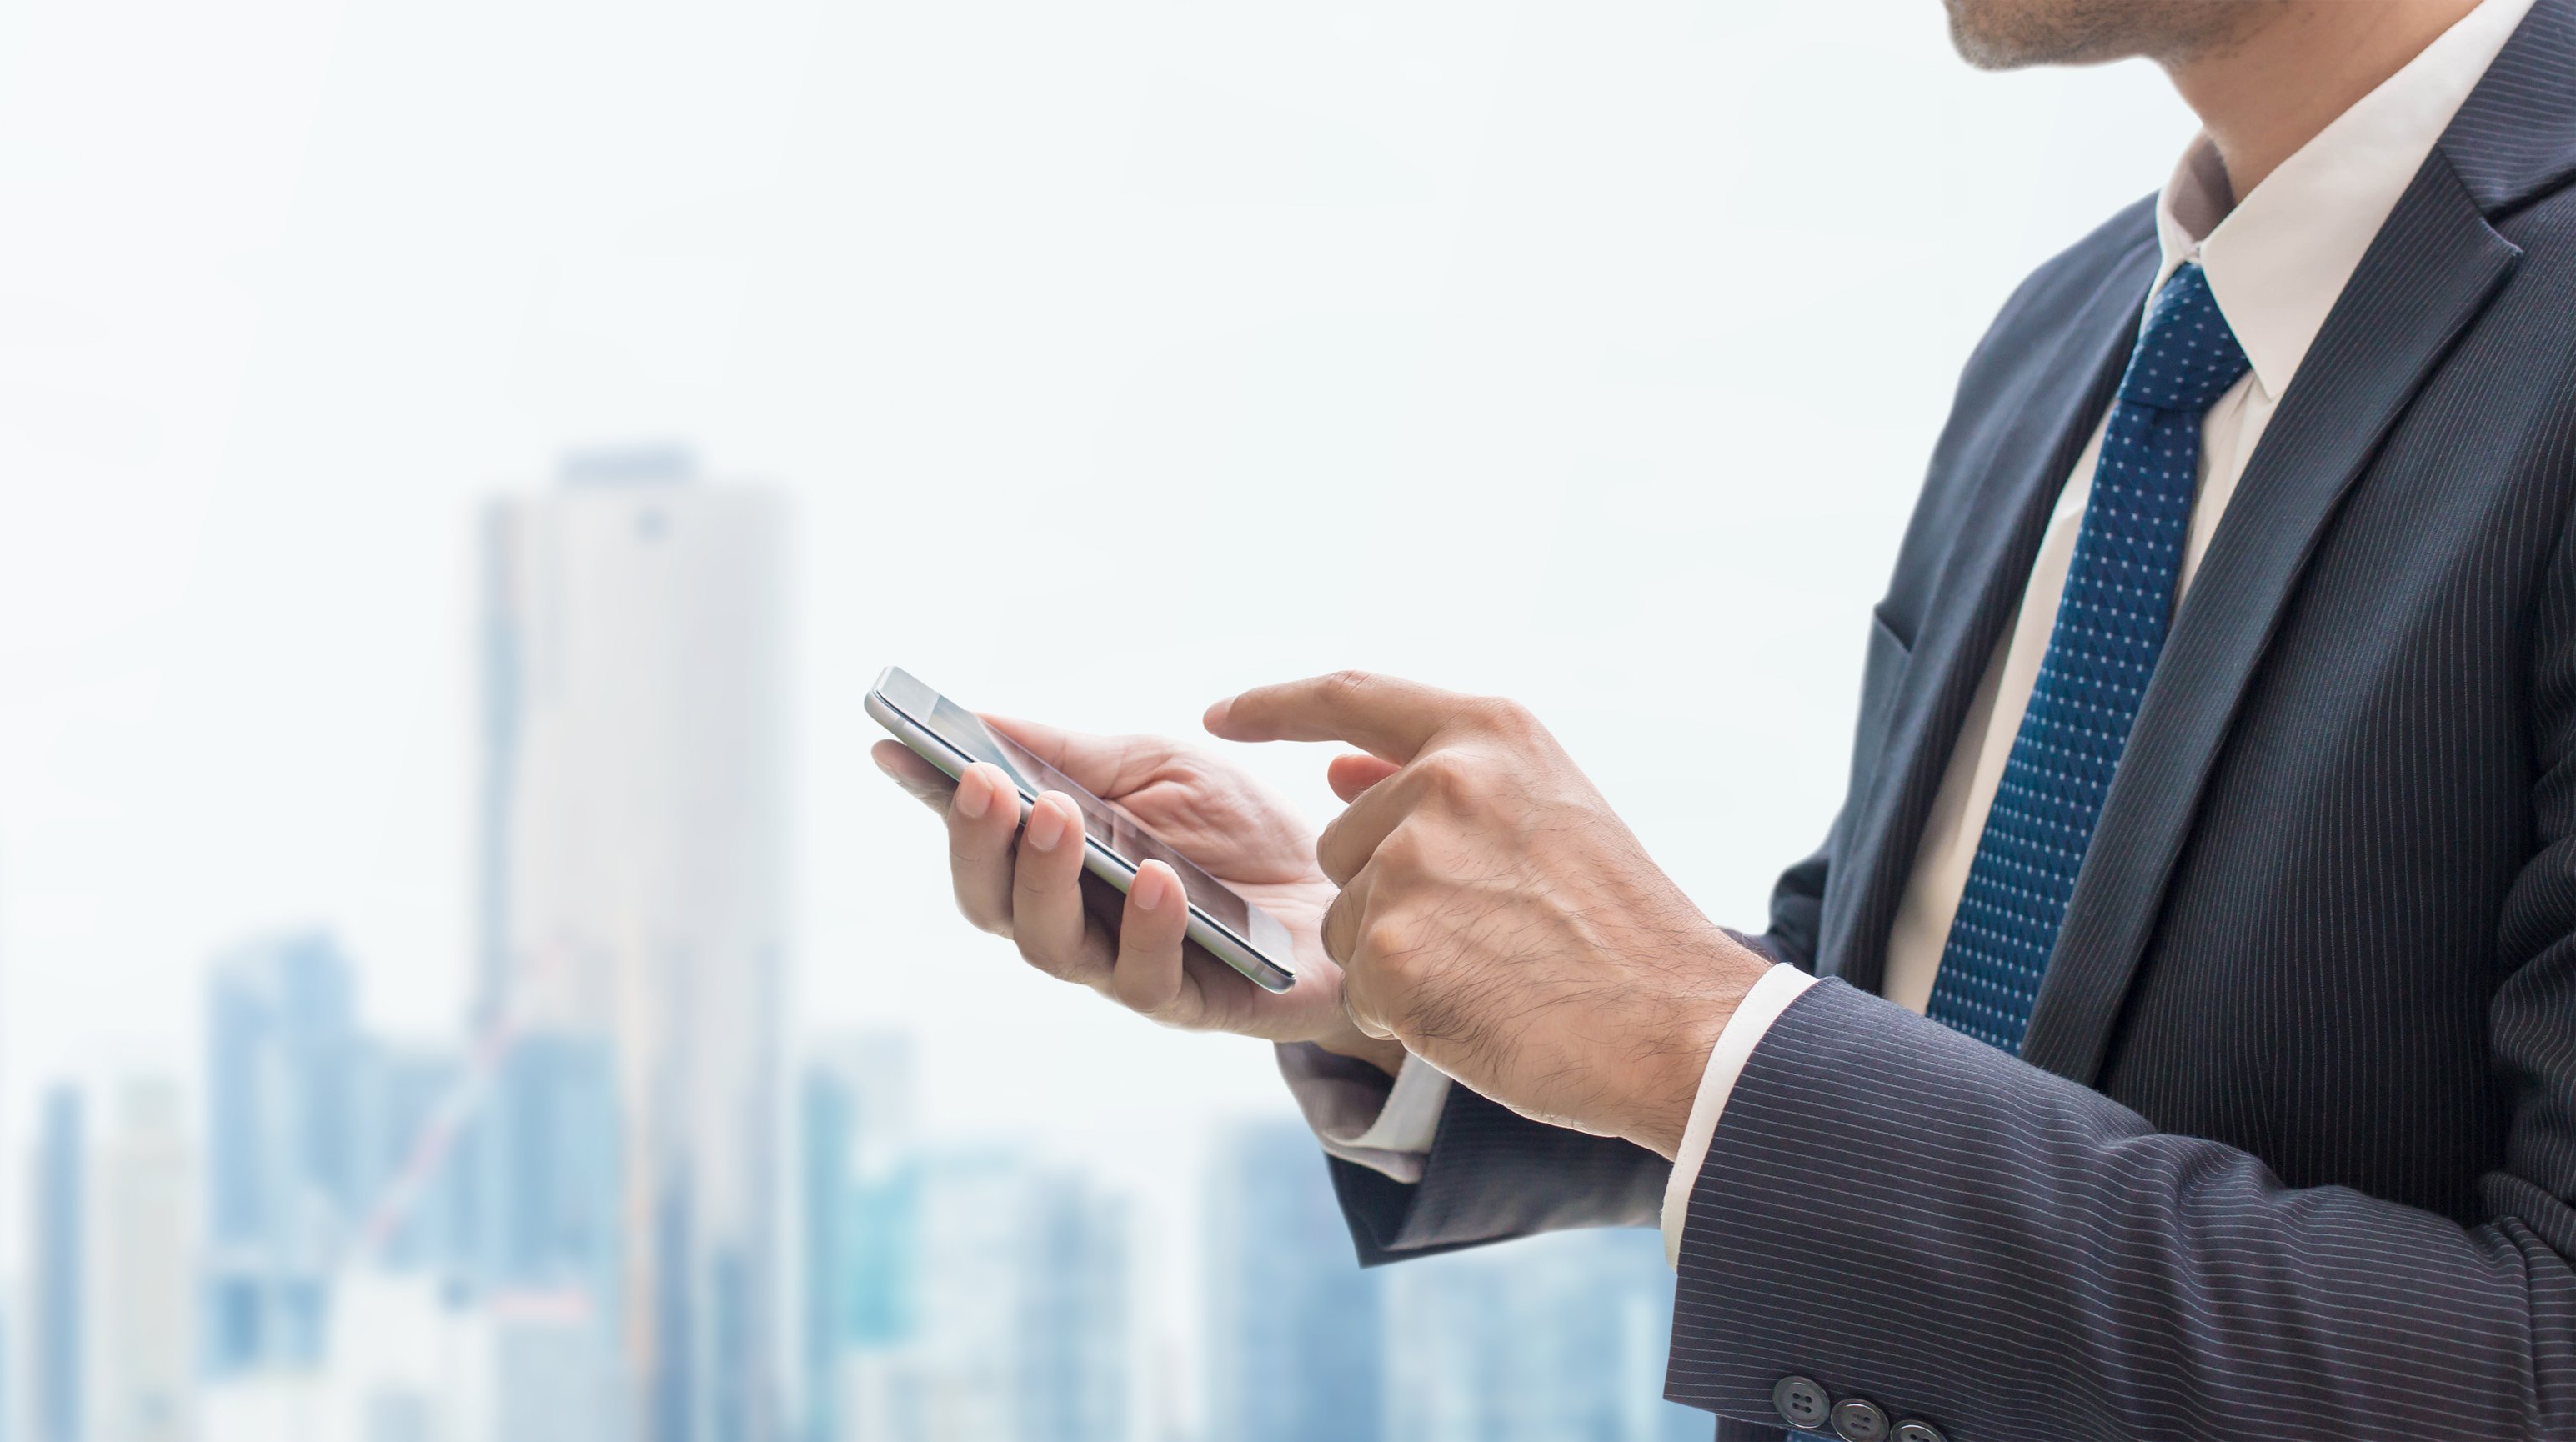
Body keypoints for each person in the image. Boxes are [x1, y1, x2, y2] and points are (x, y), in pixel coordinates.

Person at [871, 0, 2576, 1437]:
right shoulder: (2076, 333)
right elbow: (1900, 1030)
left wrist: (1698, 1031)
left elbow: (2540, 1357)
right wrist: (1384, 976)